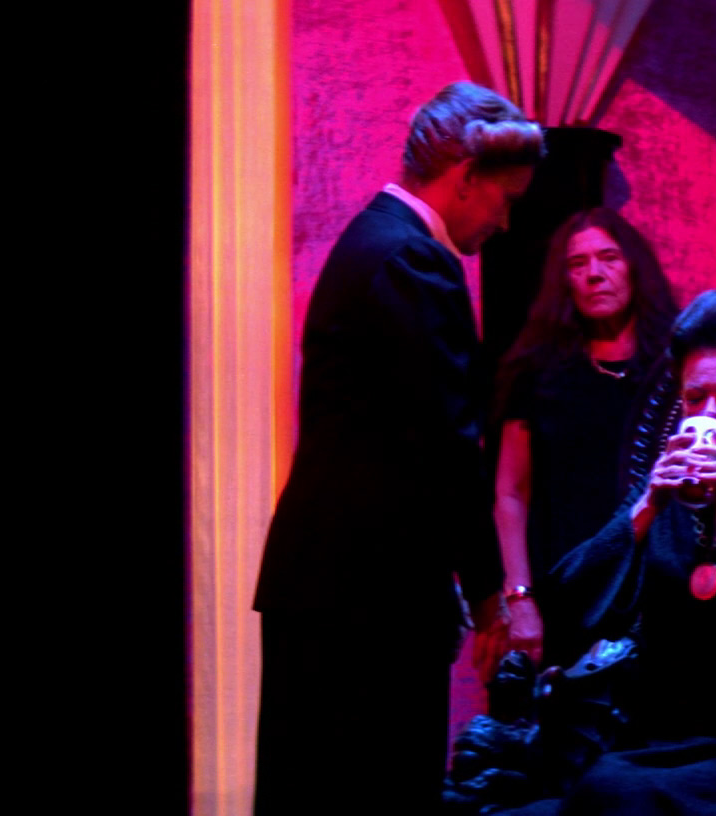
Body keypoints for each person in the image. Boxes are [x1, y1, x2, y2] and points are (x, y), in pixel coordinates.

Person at [251, 82, 543, 814]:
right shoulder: (412, 262)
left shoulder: (373, 241)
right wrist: (490, 597)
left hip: (331, 589)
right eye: (505, 197)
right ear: (466, 177)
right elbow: (446, 447)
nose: (505, 220)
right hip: (364, 603)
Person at [527, 287, 716, 814]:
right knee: (602, 787)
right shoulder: (658, 501)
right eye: (695, 399)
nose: (711, 414)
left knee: (620, 794)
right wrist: (646, 506)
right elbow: (564, 609)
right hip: (657, 740)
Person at [491, 208, 680, 669]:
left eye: (608, 258)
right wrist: (519, 598)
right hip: (566, 587)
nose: (594, 274)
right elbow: (510, 493)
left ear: (633, 267)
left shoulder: (675, 369)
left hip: (658, 590)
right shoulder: (537, 372)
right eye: (578, 264)